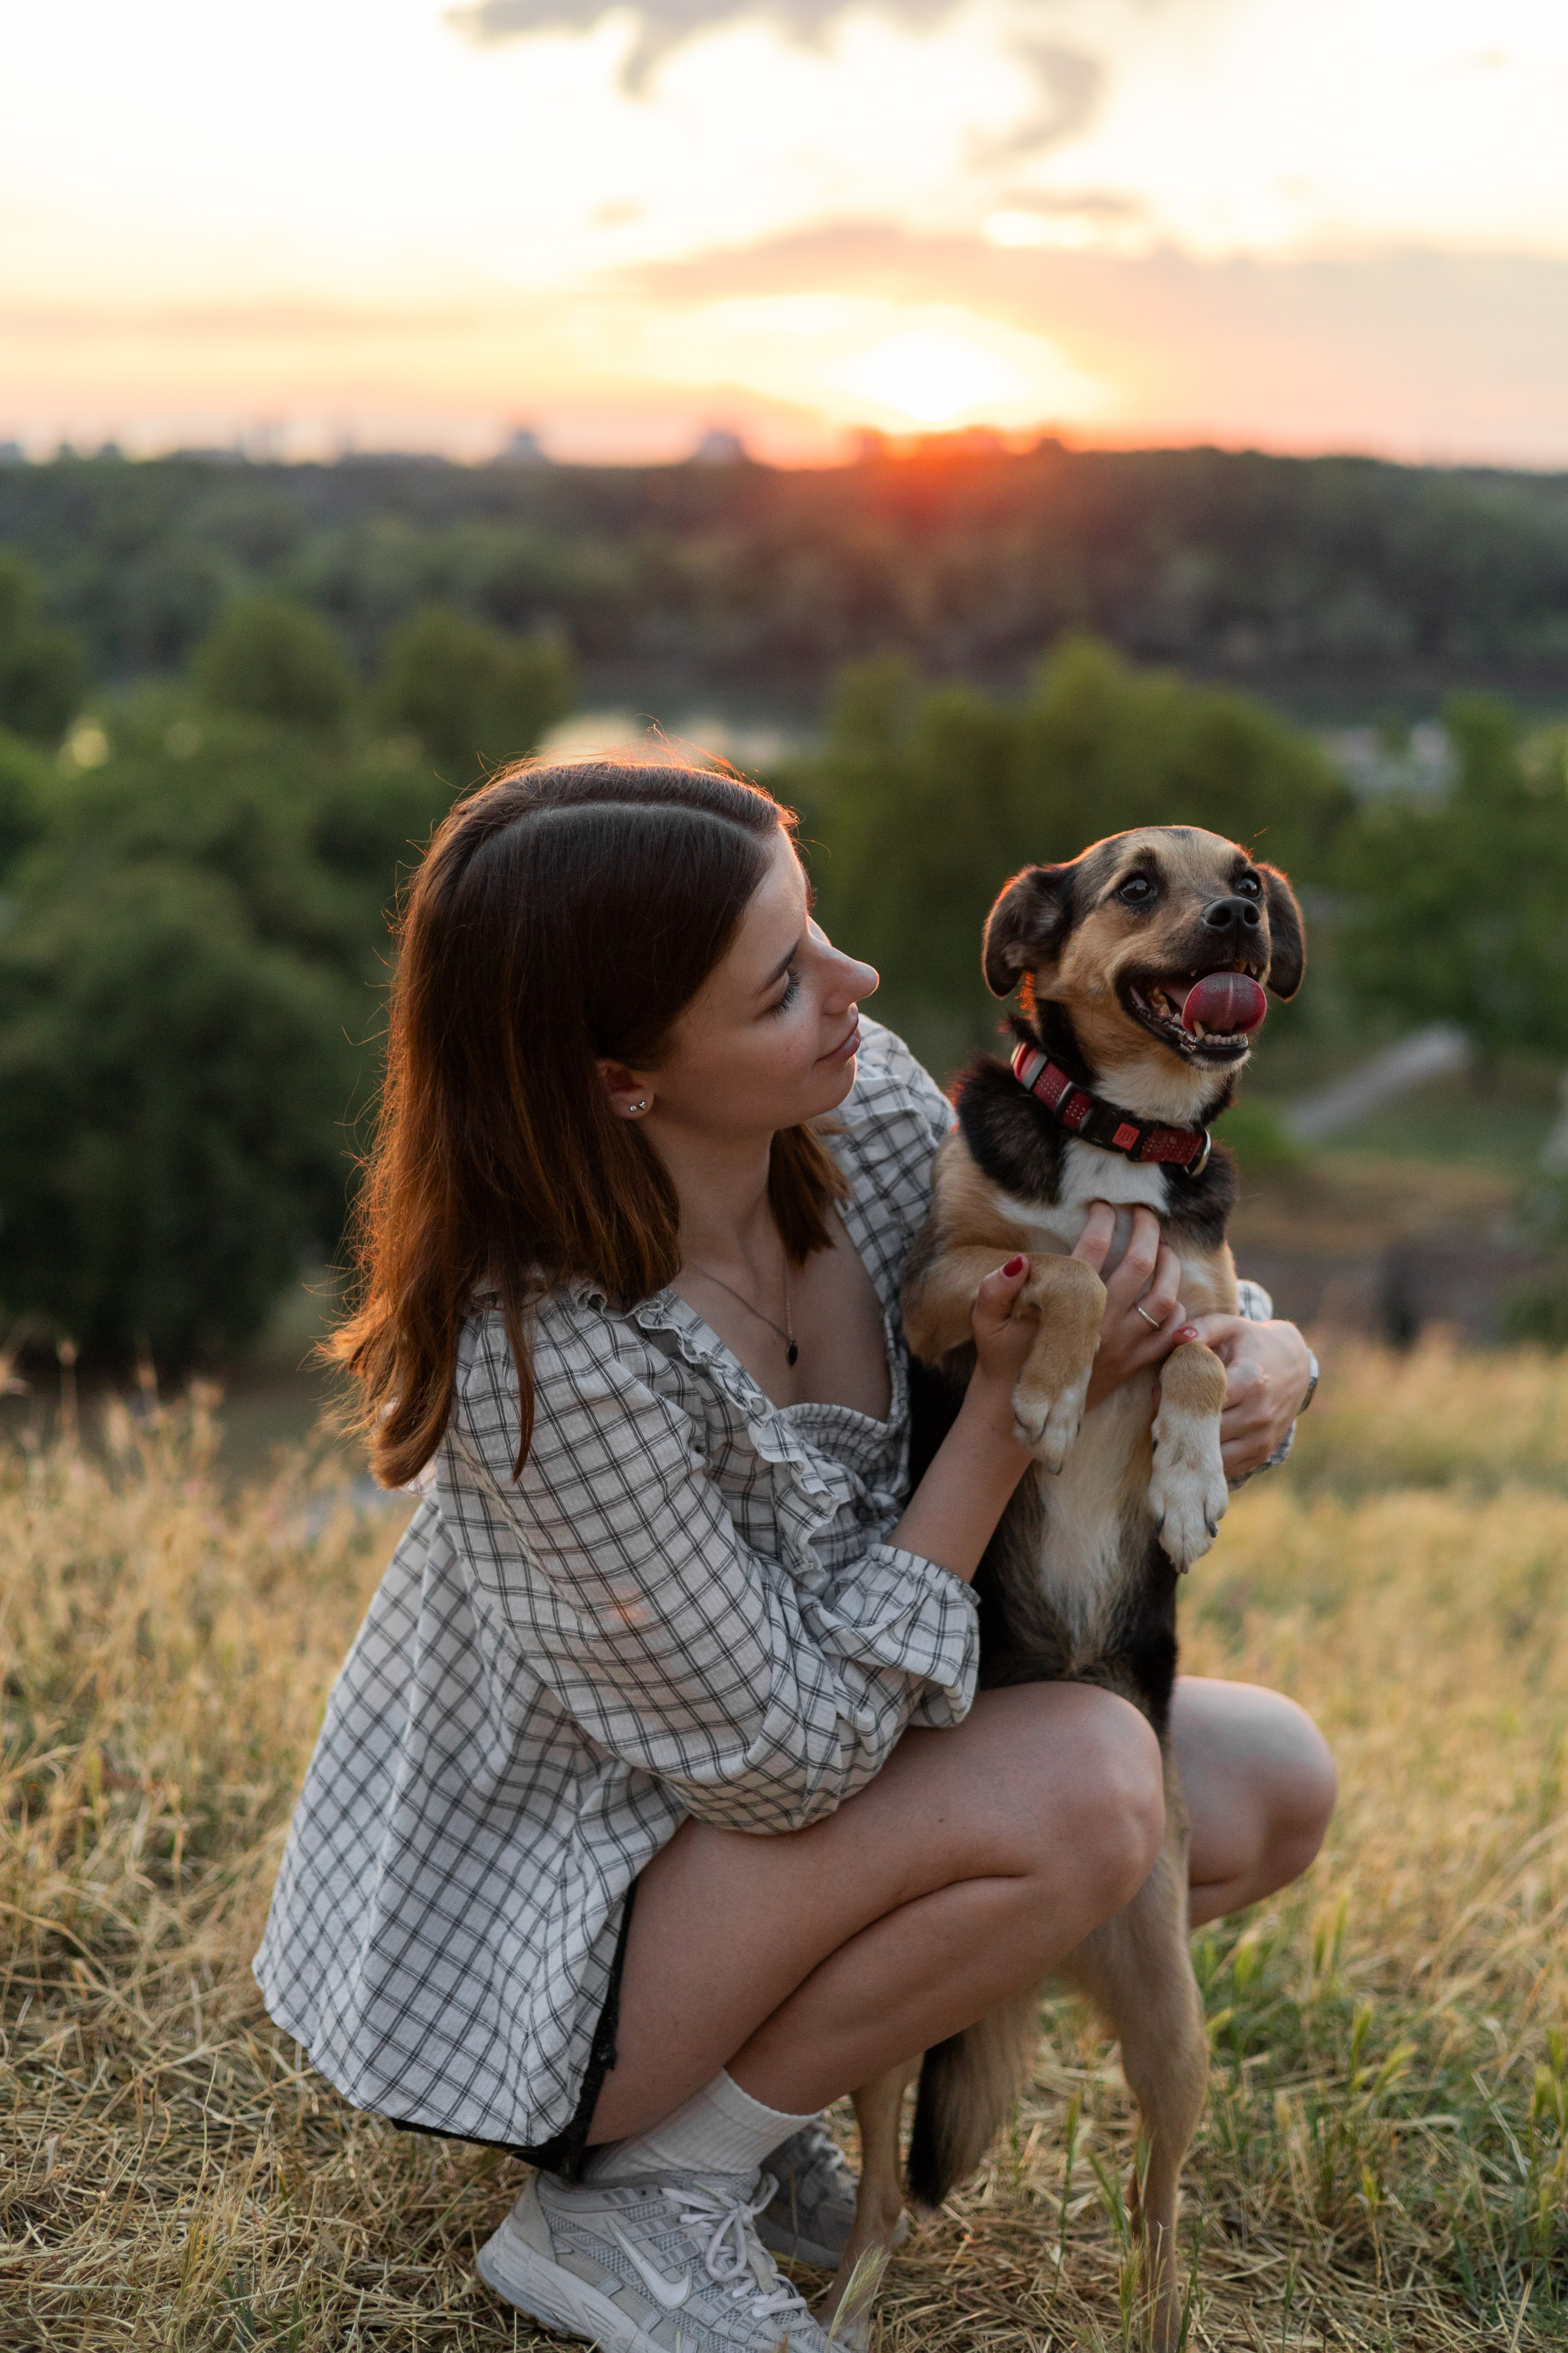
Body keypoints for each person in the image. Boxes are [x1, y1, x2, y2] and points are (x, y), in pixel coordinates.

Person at [254, 761, 1333, 2353]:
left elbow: (1130, 1265)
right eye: (783, 981)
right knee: (1097, 1785)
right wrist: (1002, 1437)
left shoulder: (864, 1107)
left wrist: (1265, 1359)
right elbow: (784, 1757)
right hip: (571, 1922)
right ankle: (630, 2194)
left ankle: (748, 2123)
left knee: (1255, 1786)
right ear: (624, 1075)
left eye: (814, 927)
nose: (858, 984)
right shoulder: (544, 1359)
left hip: (777, 1811)